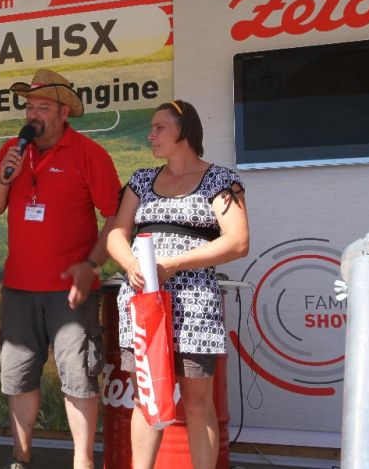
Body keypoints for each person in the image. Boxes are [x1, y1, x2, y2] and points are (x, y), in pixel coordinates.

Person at [0, 69, 121, 469]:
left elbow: (115, 217)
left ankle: (82, 462)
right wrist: (7, 178)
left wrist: (91, 263)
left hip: (70, 290)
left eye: (42, 107)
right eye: (29, 107)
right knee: (18, 375)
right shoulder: (12, 149)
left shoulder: (90, 154)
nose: (33, 115)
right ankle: (20, 457)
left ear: (63, 112)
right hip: (19, 288)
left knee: (78, 377)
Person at [106, 100, 249, 469]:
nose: (150, 135)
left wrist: (172, 264)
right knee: (146, 396)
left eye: (159, 128)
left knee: (199, 400)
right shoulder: (140, 179)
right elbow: (116, 235)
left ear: (184, 131)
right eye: (151, 128)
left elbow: (237, 241)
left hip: (195, 304)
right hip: (144, 302)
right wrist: (132, 264)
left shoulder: (220, 180)